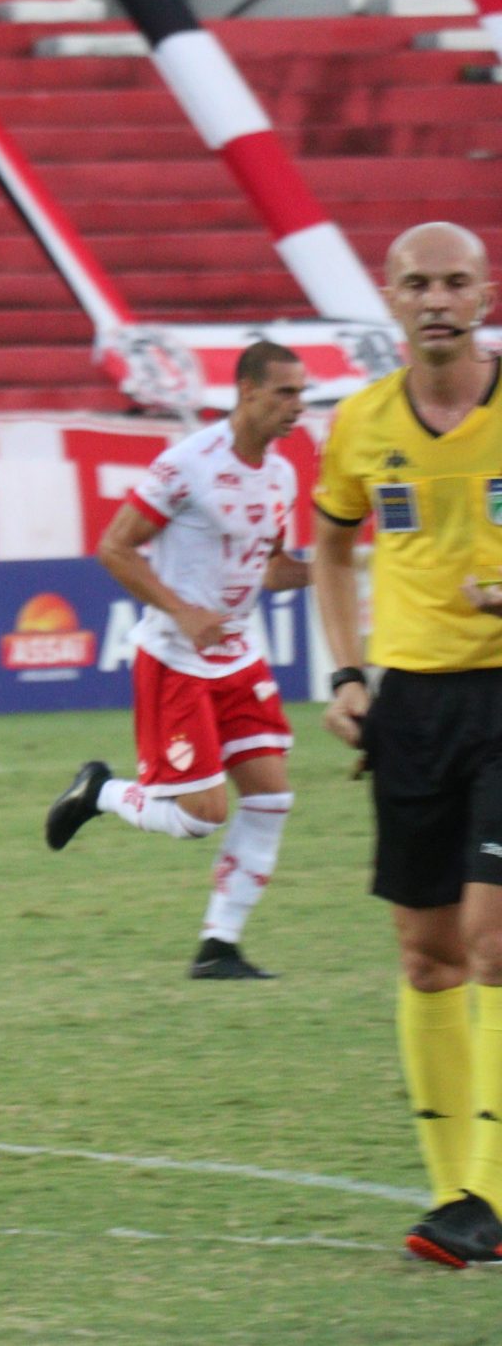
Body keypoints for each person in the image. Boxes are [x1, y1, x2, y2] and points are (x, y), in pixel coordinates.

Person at [304, 222, 502, 1267]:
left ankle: (494, 1197)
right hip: (412, 706)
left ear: (484, 293)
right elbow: (331, 552)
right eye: (416, 283)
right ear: (387, 296)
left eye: (455, 282)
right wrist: (346, 673)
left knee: (494, 941)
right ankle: (455, 1203)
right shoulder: (357, 423)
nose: (436, 299)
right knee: (425, 961)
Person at [44, 341, 312, 978]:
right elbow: (115, 548)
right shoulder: (186, 466)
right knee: (201, 820)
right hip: (176, 659)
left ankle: (220, 946)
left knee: (272, 797)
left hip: (239, 657)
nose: (297, 407)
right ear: (247, 392)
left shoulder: (282, 475)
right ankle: (100, 792)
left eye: (302, 394)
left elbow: (271, 570)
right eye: (285, 393)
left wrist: (326, 566)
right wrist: (182, 613)